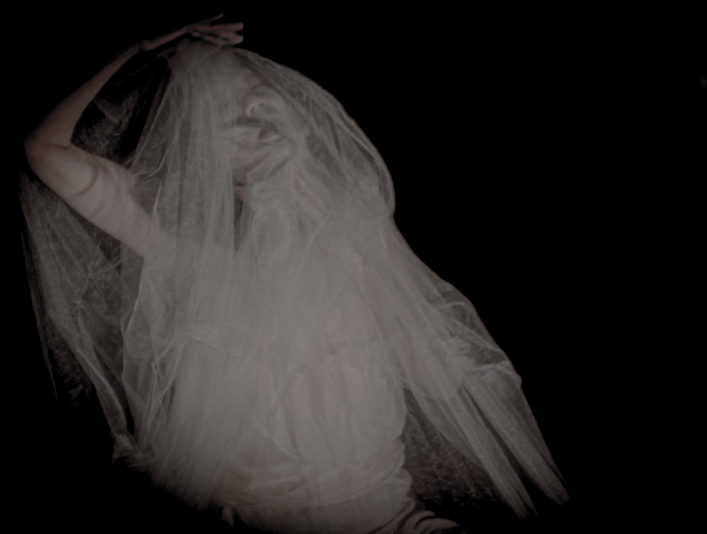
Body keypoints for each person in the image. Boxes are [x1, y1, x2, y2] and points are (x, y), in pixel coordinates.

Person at [20, 13, 569, 533]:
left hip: (394, 518)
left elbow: (438, 375)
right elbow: (44, 149)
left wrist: (364, 254)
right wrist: (136, 48)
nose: (256, 120)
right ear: (193, 148)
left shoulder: (354, 224)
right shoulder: (172, 239)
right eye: (225, 117)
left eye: (260, 97)